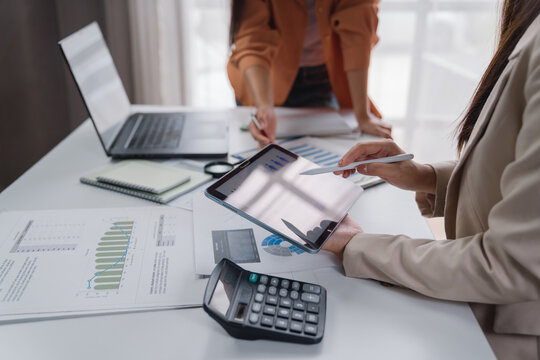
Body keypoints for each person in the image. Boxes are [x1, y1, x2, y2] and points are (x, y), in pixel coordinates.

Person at [323, 2, 540, 359]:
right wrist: (423, 176)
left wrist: (359, 246)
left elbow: (509, 263)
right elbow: (516, 174)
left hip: (506, 331)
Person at [227, 0, 392, 147]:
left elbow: (358, 28)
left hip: (325, 78)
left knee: (333, 151)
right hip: (263, 80)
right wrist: (263, 106)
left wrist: (363, 115)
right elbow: (252, 40)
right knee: (252, 152)